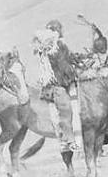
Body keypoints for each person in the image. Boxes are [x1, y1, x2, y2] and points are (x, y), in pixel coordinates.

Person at [32, 19, 79, 153]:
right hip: (59, 84)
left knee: (61, 111)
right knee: (66, 109)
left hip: (50, 86)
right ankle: (70, 140)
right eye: (59, 31)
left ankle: (65, 141)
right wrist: (75, 72)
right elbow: (64, 67)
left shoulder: (46, 48)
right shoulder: (57, 46)